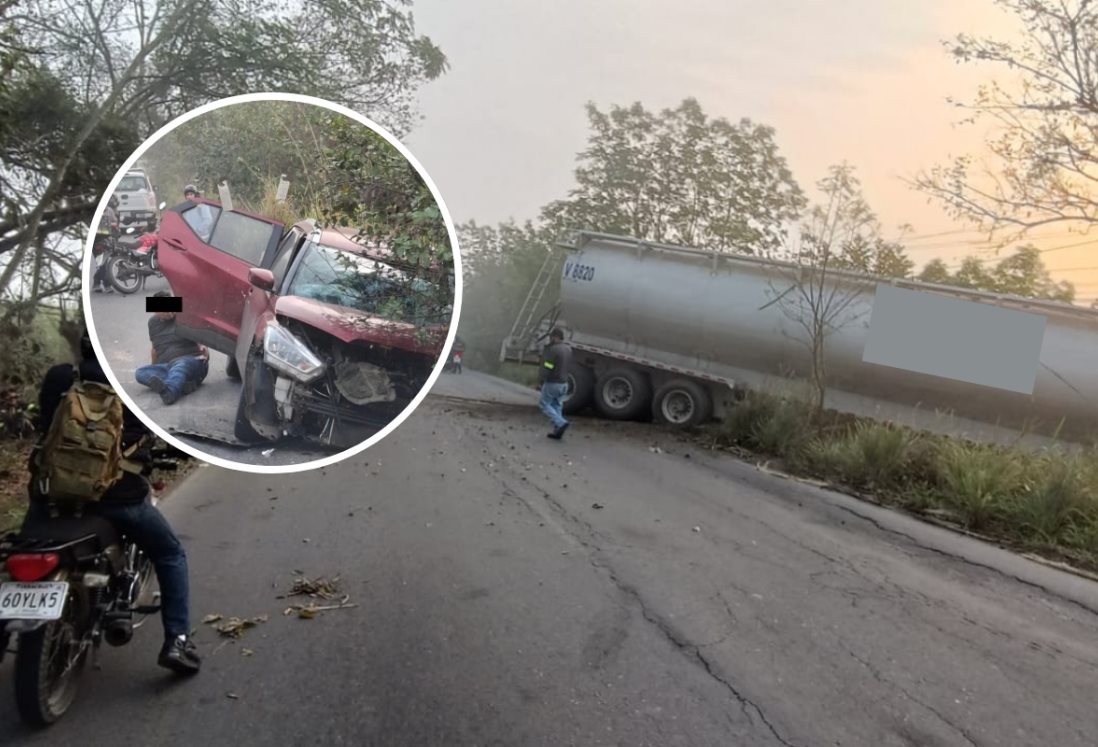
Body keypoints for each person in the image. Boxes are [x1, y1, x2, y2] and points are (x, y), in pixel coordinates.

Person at [24, 327, 200, 674]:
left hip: (51, 497)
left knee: (22, 549)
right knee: (170, 553)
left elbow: (44, 425)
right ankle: (177, 641)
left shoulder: (60, 376)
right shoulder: (131, 385)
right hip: (119, 500)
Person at [135, 290, 209, 405]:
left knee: (180, 366)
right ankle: (183, 384)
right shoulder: (153, 323)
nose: (169, 311)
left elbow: (201, 337)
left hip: (192, 361)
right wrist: (155, 368)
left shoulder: (184, 314)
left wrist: (204, 347)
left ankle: (170, 393)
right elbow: (155, 349)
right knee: (140, 373)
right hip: (168, 365)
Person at [537, 327, 572, 440]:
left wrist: (541, 380)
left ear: (555, 337)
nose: (550, 340)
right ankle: (558, 431)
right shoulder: (568, 349)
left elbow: (548, 366)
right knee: (557, 405)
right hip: (564, 383)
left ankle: (561, 423)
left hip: (553, 382)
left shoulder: (554, 350)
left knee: (544, 404)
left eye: (551, 337)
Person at [92, 195, 120, 293]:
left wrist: (114, 227)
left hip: (107, 240)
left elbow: (115, 222)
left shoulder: (109, 211)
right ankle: (104, 284)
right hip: (96, 242)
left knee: (107, 263)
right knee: (102, 264)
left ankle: (99, 283)